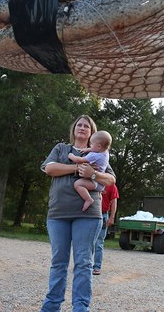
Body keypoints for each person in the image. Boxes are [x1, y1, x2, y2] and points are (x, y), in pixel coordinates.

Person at [40, 115, 116, 312]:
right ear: (74, 129)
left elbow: (110, 180)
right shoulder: (61, 149)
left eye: (86, 126)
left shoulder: (100, 153)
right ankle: (51, 307)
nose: (82, 128)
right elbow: (50, 168)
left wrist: (92, 174)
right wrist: (78, 168)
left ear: (92, 133)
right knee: (58, 262)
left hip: (88, 215)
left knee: (83, 263)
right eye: (79, 125)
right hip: (58, 213)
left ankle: (80, 308)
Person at [68, 130, 112, 211]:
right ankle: (98, 197)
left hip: (94, 182)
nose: (90, 145)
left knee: (77, 184)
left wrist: (71, 156)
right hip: (100, 181)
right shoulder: (105, 152)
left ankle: (88, 199)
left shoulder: (94, 156)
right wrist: (88, 149)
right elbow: (96, 149)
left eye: (91, 144)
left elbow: (79, 160)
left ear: (98, 146)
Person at [92, 183, 119, 275]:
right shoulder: (92, 180)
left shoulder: (111, 185)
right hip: (89, 214)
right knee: (87, 242)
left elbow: (114, 201)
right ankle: (85, 265)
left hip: (103, 215)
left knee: (99, 242)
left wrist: (112, 217)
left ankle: (97, 267)